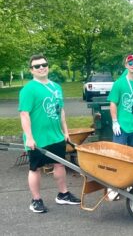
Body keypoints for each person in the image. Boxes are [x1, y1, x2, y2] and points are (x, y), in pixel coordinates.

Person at [19, 54, 81, 213]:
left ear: (48, 66)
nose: (41, 68)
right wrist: (30, 138)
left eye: (43, 64)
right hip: (38, 138)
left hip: (56, 136)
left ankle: (63, 194)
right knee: (35, 168)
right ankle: (36, 200)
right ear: (31, 70)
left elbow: (61, 111)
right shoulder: (28, 89)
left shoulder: (56, 87)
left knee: (60, 164)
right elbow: (24, 114)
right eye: (37, 66)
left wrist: (65, 132)